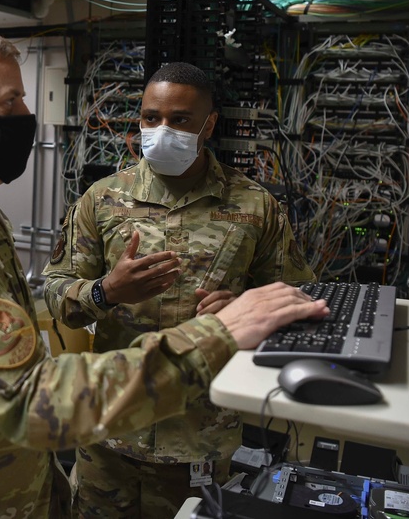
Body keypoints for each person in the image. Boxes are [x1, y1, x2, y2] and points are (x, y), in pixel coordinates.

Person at [0, 29, 328, 517]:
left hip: (168, 437)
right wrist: (206, 330)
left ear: (208, 124)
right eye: (10, 103)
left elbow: (292, 289)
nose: (28, 115)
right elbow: (31, 397)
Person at [42, 61, 316, 517]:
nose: (161, 129)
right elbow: (55, 291)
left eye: (179, 119)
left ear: (209, 124)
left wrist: (245, 308)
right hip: (109, 429)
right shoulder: (103, 199)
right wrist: (104, 292)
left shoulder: (254, 206)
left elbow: (296, 300)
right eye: (151, 117)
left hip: (199, 438)